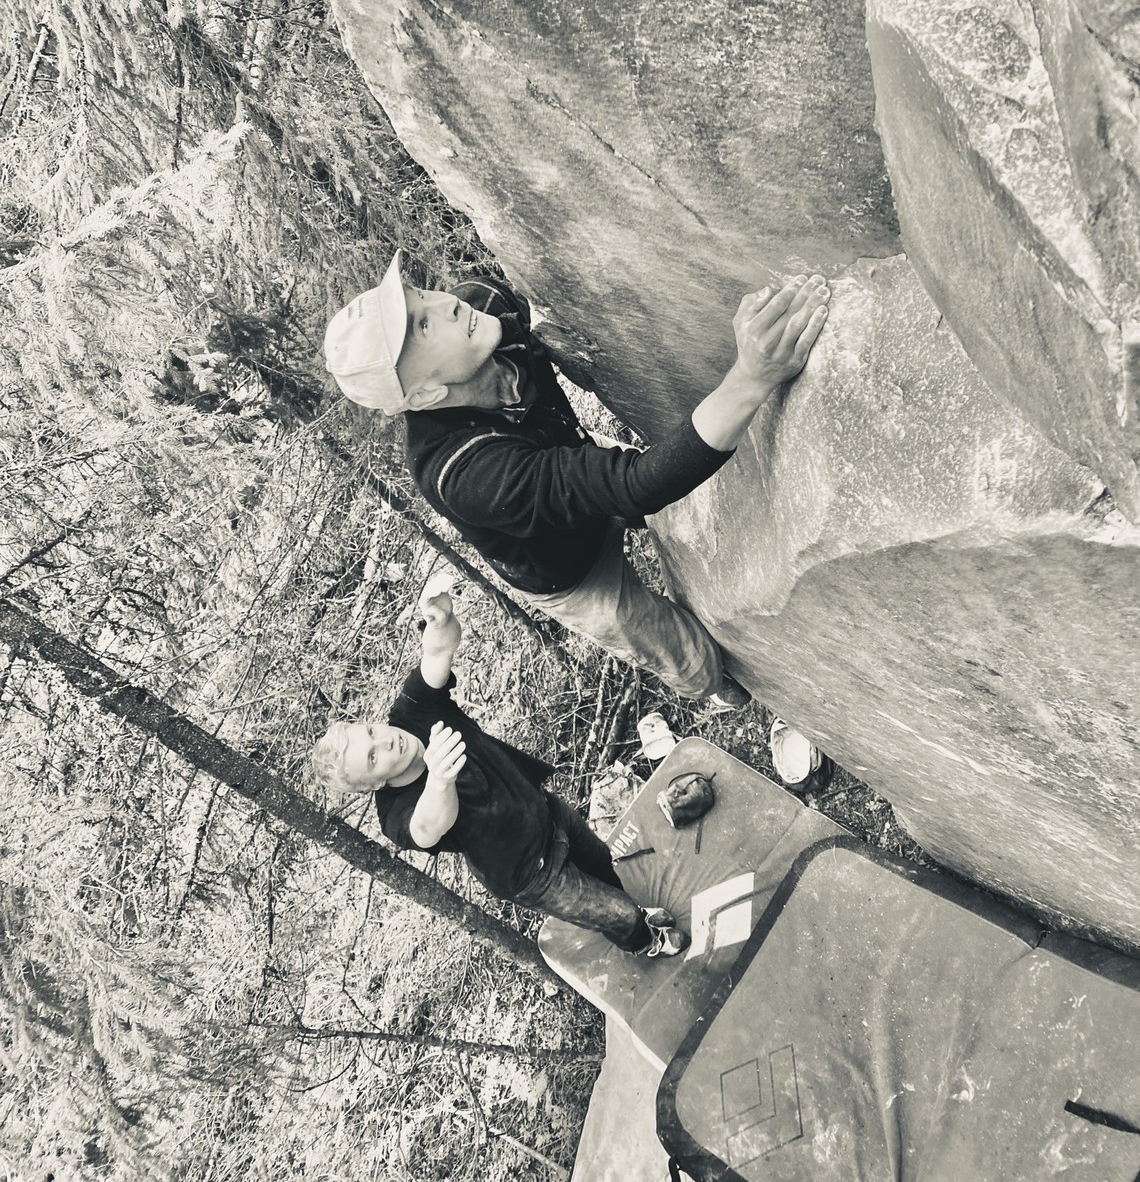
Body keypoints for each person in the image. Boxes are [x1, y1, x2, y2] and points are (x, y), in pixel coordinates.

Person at [323, 255, 829, 708]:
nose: (446, 303)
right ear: (425, 395)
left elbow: (621, 482)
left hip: (573, 468)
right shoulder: (462, 472)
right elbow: (636, 484)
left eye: (422, 295)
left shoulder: (484, 307)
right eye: (424, 325)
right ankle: (719, 689)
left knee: (681, 496)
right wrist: (752, 377)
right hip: (569, 570)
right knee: (682, 653)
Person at [311, 586, 689, 958]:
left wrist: (441, 618)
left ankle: (635, 913)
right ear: (375, 783)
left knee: (603, 864)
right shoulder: (393, 813)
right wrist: (440, 779)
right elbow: (426, 829)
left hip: (546, 812)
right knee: (618, 915)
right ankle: (644, 941)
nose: (385, 741)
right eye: (372, 758)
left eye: (371, 732)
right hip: (530, 873)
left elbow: (438, 651)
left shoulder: (412, 710)